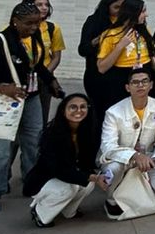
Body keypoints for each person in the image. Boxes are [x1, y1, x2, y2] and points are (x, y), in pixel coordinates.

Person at [0, 1, 61, 215]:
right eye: (29, 23)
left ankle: (32, 181)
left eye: (37, 23)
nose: (34, 27)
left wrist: (51, 80)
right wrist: (0, 86)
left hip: (31, 98)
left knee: (34, 142)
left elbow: (35, 65)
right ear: (15, 21)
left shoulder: (33, 38)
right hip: (4, 101)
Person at [98, 65, 155, 217]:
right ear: (128, 87)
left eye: (144, 81)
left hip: (148, 158)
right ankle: (111, 200)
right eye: (135, 82)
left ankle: (140, 195)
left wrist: (154, 160)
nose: (140, 85)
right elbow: (108, 146)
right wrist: (134, 156)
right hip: (120, 160)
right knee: (112, 171)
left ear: (151, 85)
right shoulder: (113, 112)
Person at [23, 93, 103, 227]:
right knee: (69, 188)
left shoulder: (89, 131)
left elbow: (87, 163)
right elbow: (58, 169)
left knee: (88, 184)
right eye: (73, 107)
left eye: (83, 107)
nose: (78, 111)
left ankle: (69, 211)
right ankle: (40, 214)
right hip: (45, 179)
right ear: (63, 110)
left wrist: (96, 176)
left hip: (66, 175)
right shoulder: (52, 134)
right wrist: (91, 176)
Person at [93, 0, 155, 117]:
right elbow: (102, 68)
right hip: (123, 78)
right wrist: (120, 46)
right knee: (125, 115)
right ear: (132, 13)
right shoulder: (110, 35)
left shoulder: (144, 31)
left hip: (146, 74)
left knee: (147, 113)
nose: (146, 15)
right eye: (143, 11)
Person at [78, 0, 127, 98]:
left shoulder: (127, 22)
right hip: (98, 75)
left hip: (121, 75)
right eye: (116, 7)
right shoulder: (94, 21)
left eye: (123, 7)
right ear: (107, 6)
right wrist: (97, 41)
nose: (120, 11)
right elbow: (82, 49)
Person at [22, 0, 65, 73]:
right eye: (39, 5)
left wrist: (45, 75)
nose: (44, 8)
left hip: (44, 73)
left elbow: (56, 57)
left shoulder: (53, 28)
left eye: (47, 5)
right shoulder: (15, 27)